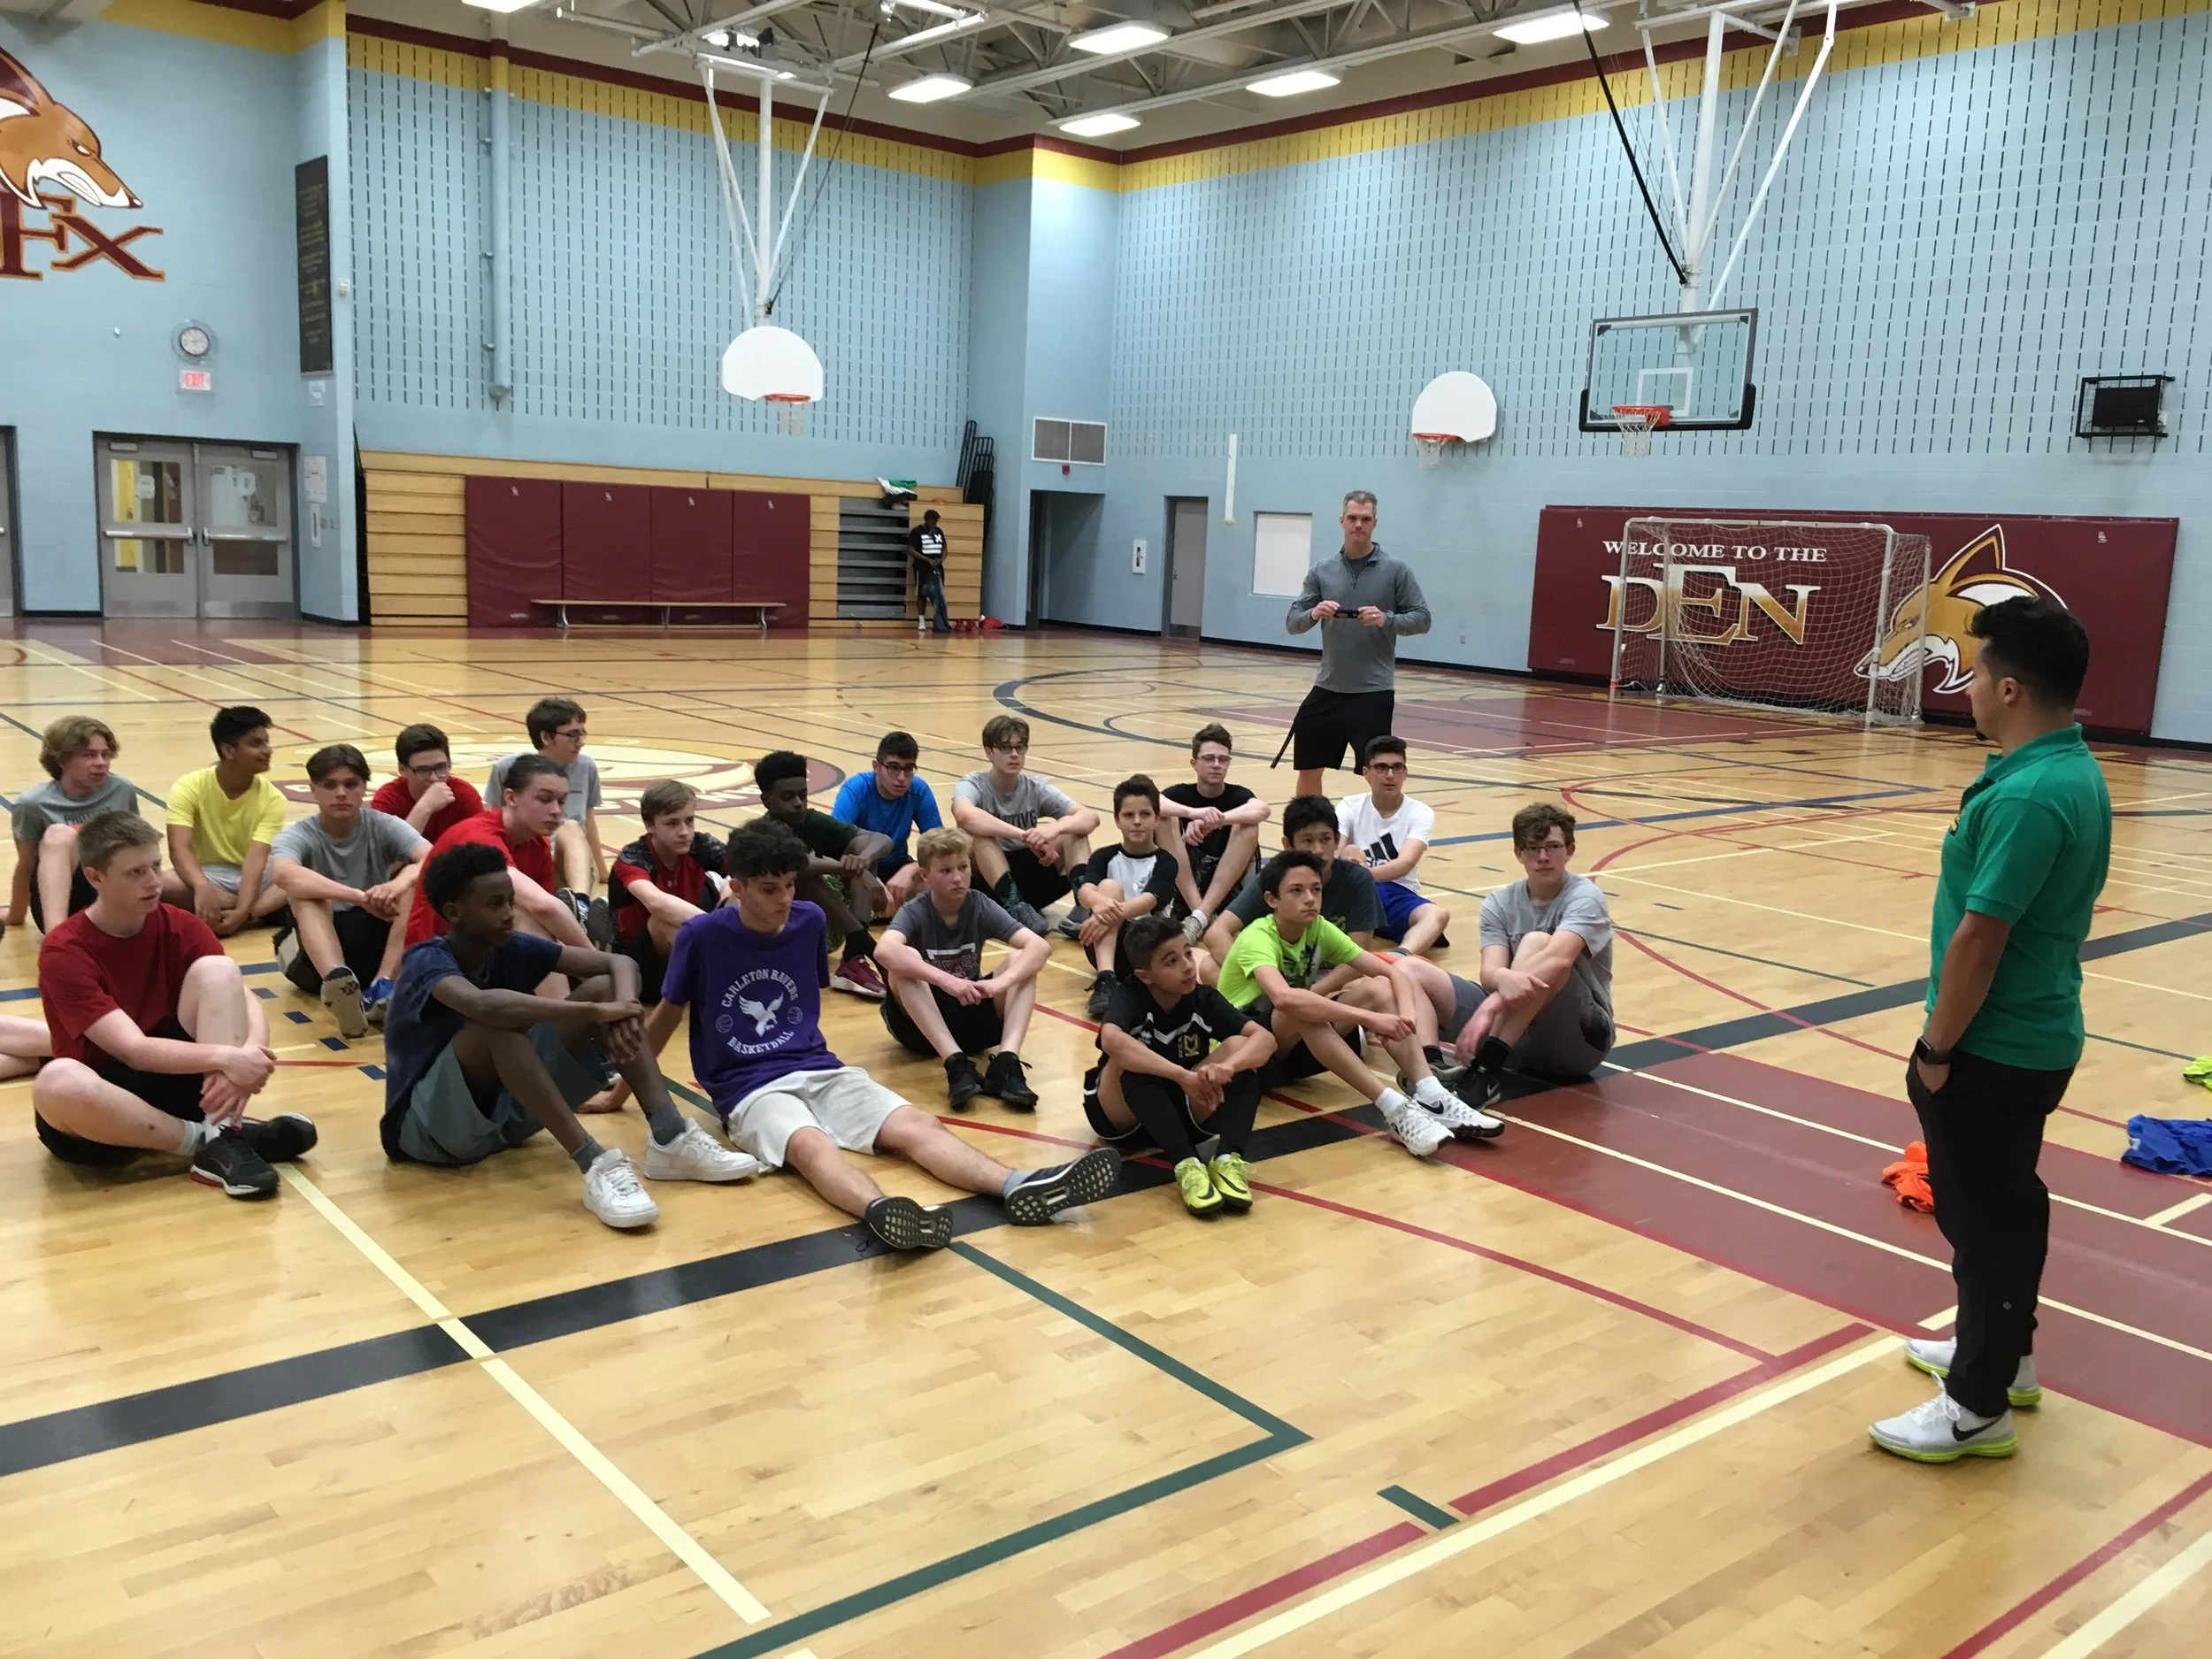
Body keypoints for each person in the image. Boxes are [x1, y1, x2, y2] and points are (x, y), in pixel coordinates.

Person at [1870, 596, 2109, 1464]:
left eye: (1972, 672)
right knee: (2001, 1209)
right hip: (2025, 1037)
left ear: (2009, 688)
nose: (1963, 686)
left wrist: (1936, 1049)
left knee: (1988, 1223)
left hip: (1994, 1045)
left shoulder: (2035, 796)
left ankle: (1975, 1407)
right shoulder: (2057, 771)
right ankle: (2001, 1356)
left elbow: (1981, 936)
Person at [645, 818, 1120, 1252]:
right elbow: (667, 1015)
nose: (784, 899)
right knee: (812, 1146)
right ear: (738, 887)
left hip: (820, 1066)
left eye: (789, 886)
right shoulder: (701, 936)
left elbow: (808, 996)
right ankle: (882, 1212)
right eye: (769, 890)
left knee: (919, 1126)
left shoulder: (809, 920)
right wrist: (629, 1089)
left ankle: (1018, 1185)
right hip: (747, 1087)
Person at [380, 842, 761, 1231]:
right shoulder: (425, 958)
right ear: (453, 913)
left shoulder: (509, 946)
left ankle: (669, 1135)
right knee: (500, 1028)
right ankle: (593, 1161)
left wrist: (624, 1005)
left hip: (501, 1121)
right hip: (428, 1134)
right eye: (494, 905)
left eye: (510, 901)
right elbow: (484, 1006)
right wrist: (594, 1013)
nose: (510, 914)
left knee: (602, 988)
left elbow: (619, 961)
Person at [30, 810, 313, 1200]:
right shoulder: (65, 950)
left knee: (219, 968)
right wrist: (230, 1060)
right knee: (57, 1079)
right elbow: (133, 1050)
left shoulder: (180, 924)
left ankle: (222, 1132)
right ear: (95, 878)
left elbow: (241, 996)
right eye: (134, 873)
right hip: (101, 1106)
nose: (153, 882)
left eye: (156, 866)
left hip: (181, 1087)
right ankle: (212, 1140)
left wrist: (252, 1054)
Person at [1217, 850, 1498, 1156]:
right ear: (1272, 900)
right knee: (1300, 1009)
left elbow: (1392, 972)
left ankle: (1432, 1094)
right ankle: (1395, 1110)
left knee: (1378, 988)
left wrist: (1407, 1016)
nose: (1310, 898)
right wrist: (1370, 1019)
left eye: (1316, 889)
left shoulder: (1319, 928)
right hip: (1242, 1055)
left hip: (1290, 1050)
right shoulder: (1257, 936)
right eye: (1297, 891)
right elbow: (1284, 998)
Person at [1087, 915, 1274, 1219]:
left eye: (1188, 953)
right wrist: (1183, 1076)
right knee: (1131, 1058)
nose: (1187, 966)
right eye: (1171, 961)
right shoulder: (1129, 993)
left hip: (1183, 1110)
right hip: (1124, 1115)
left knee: (1242, 1050)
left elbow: (1266, 1040)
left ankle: (1227, 1158)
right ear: (1145, 976)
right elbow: (1111, 1040)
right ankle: (1186, 1164)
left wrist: (1228, 1067)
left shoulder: (1202, 997)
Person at [1446, 803, 1617, 1110]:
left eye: (1552, 847)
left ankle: (1484, 1070)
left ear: (1570, 850)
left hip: (1580, 1039)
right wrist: (1498, 984)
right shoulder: (1500, 902)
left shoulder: (1585, 897)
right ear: (1518, 853)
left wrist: (1488, 1007)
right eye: (1533, 848)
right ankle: (1431, 1074)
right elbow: (1491, 973)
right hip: (1521, 1040)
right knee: (1413, 973)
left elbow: (1559, 961)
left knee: (1539, 943)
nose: (1543, 857)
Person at [875, 826, 1048, 1110]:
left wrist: (998, 984)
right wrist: (946, 981)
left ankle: (1006, 1063)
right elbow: (884, 950)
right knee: (902, 960)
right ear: (925, 876)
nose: (957, 878)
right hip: (921, 1026)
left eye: (963, 867)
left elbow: (1040, 947)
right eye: (945, 871)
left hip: (970, 1008)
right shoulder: (916, 910)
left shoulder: (979, 904)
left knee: (1022, 961)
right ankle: (955, 1063)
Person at [269, 743, 429, 1036]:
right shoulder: (298, 834)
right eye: (330, 785)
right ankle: (338, 982)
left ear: (363, 788)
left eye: (350, 784)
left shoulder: (382, 825)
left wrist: (397, 883)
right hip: (309, 956)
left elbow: (432, 856)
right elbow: (284, 874)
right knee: (308, 897)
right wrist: (359, 896)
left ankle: (382, 986)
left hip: (375, 945)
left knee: (414, 883)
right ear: (313, 790)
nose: (341, 793)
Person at [1286, 490, 1430, 798]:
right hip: (1327, 689)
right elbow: (1292, 622)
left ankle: (1379, 839)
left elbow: (1422, 619)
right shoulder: (1322, 570)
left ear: (1375, 523)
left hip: (1373, 692)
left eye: (1365, 519)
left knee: (1382, 777)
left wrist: (1386, 619)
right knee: (1308, 768)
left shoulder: (1396, 570)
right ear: (1342, 521)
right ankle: (1309, 837)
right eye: (1352, 518)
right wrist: (1314, 613)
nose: (1358, 525)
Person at [7, 714, 182, 933]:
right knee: (60, 835)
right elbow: (26, 865)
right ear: (62, 760)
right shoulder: (32, 803)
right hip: (66, 900)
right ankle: (57, 938)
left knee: (169, 874)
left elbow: (138, 848)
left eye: (106, 755)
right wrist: (16, 915)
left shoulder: (121, 789)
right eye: (88, 755)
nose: (101, 763)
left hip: (116, 892)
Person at [404, 755, 590, 952]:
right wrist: (600, 963)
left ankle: (582, 917)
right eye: (544, 799)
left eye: (562, 802)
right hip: (436, 956)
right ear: (510, 798)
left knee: (533, 924)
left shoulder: (537, 842)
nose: (556, 810)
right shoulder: (479, 835)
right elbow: (543, 907)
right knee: (522, 918)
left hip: (485, 951)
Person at [753, 749, 892, 1001]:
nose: (798, 803)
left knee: (860, 849)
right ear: (766, 800)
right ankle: (864, 945)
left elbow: (880, 840)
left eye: (802, 795)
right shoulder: (761, 833)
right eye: (787, 797)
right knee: (801, 875)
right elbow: (795, 863)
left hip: (820, 931)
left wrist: (863, 861)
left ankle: (854, 954)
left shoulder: (810, 820)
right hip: (776, 935)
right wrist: (847, 868)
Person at [951, 714, 1100, 939]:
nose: (1014, 755)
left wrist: (1053, 830)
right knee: (978, 835)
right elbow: (964, 815)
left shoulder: (1035, 787)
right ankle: (1015, 906)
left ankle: (1084, 905)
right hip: (992, 886)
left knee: (1073, 829)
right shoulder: (974, 783)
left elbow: (1090, 817)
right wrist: (1025, 835)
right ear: (989, 752)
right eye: (1005, 748)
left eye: (1020, 748)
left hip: (1033, 875)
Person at [1202, 794, 1381, 970]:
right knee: (1209, 967)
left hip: (1331, 981)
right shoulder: (1274, 878)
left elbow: (1359, 958)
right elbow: (1216, 934)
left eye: (1325, 839)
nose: (1318, 850)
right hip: (1280, 982)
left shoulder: (1358, 879)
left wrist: (1309, 997)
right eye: (1307, 841)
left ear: (1336, 841)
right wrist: (1262, 984)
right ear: (1288, 845)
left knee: (1380, 988)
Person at [485, 697, 609, 945]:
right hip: (526, 855)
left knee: (571, 826)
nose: (581, 742)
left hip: (571, 860)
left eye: (583, 733)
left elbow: (589, 820)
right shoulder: (509, 768)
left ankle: (581, 906)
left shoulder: (586, 767)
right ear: (546, 737)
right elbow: (494, 819)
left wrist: (604, 871)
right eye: (573, 735)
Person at [1075, 775, 1202, 1018]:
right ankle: (1105, 979)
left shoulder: (1166, 861)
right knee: (1109, 887)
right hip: (1107, 946)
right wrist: (1100, 906)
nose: (1137, 822)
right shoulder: (1104, 856)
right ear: (1117, 820)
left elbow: (1149, 901)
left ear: (1156, 819)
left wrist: (1102, 916)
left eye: (1145, 815)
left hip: (1149, 948)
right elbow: (1085, 891)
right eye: (1128, 815)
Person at [165, 704, 293, 936]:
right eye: (256, 744)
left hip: (257, 874)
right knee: (162, 884)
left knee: (306, 869)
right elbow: (178, 848)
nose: (267, 750)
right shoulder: (189, 786)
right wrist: (201, 886)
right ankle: (267, 907)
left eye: (266, 742)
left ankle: (248, 911)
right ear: (228, 750)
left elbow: (255, 861)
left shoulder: (273, 798)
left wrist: (244, 913)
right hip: (209, 874)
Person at [608, 780, 728, 1003]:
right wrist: (723, 930)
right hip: (641, 961)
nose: (684, 832)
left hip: (696, 935)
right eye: (672, 823)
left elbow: (747, 872)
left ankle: (726, 972)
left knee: (742, 890)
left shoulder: (701, 845)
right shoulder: (634, 856)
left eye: (689, 821)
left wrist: (731, 894)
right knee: (661, 920)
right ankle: (720, 977)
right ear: (650, 824)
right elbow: (656, 903)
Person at [1338, 734, 1450, 956]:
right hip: (1355, 890)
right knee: (1350, 851)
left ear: (1405, 773)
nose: (1390, 775)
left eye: (1397, 768)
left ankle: (1400, 956)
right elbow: (1333, 850)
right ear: (1366, 773)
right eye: (1381, 767)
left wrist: (1363, 874)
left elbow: (1405, 863)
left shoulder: (1419, 812)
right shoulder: (1349, 806)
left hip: (1397, 892)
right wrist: (1349, 863)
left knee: (1438, 915)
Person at [1161, 724, 1268, 938]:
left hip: (1229, 895)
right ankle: (1199, 915)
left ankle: (1199, 917)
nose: (1217, 765)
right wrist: (1194, 814)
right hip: (1186, 891)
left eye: (1223, 759)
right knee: (1162, 820)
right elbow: (1150, 803)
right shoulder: (1179, 794)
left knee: (1248, 824)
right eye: (1209, 759)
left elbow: (1262, 809)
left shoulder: (1239, 795)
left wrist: (1217, 821)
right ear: (1194, 763)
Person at [831, 731, 943, 912]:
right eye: (893, 767)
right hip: (860, 869)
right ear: (876, 767)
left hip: (897, 867)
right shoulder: (857, 789)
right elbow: (833, 843)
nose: (901, 778)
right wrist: (868, 878)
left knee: (944, 889)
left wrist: (912, 869)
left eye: (908, 769)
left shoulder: (918, 790)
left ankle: (885, 911)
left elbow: (940, 846)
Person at [373, 723, 485, 843]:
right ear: (402, 770)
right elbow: (387, 859)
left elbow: (483, 848)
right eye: (423, 770)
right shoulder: (388, 800)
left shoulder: (465, 795)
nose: (434, 778)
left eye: (441, 767)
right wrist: (425, 807)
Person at [908, 508, 951, 635]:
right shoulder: (917, 532)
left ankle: (939, 621)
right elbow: (910, 549)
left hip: (937, 567)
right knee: (922, 592)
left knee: (938, 594)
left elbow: (944, 548)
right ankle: (921, 620)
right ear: (927, 520)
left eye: (936, 521)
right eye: (933, 520)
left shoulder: (938, 531)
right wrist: (926, 559)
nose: (934, 523)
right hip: (922, 567)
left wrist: (940, 560)